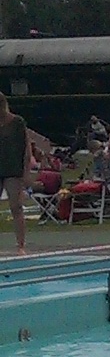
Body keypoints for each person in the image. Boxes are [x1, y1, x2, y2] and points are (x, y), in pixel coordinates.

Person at [0, 92, 31, 253]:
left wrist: (26, 172)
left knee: (16, 206)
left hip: (13, 169)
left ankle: (21, 245)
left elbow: (26, 147)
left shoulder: (17, 122)